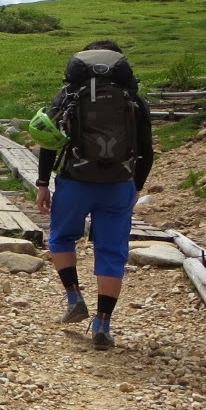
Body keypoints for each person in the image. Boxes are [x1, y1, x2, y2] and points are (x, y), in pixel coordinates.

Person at [33, 40, 153, 350]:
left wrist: (43, 183)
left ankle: (74, 297)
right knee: (112, 252)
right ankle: (103, 324)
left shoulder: (70, 95)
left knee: (61, 238)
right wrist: (136, 185)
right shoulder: (133, 99)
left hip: (75, 181)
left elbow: (49, 139)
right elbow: (147, 151)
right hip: (119, 184)